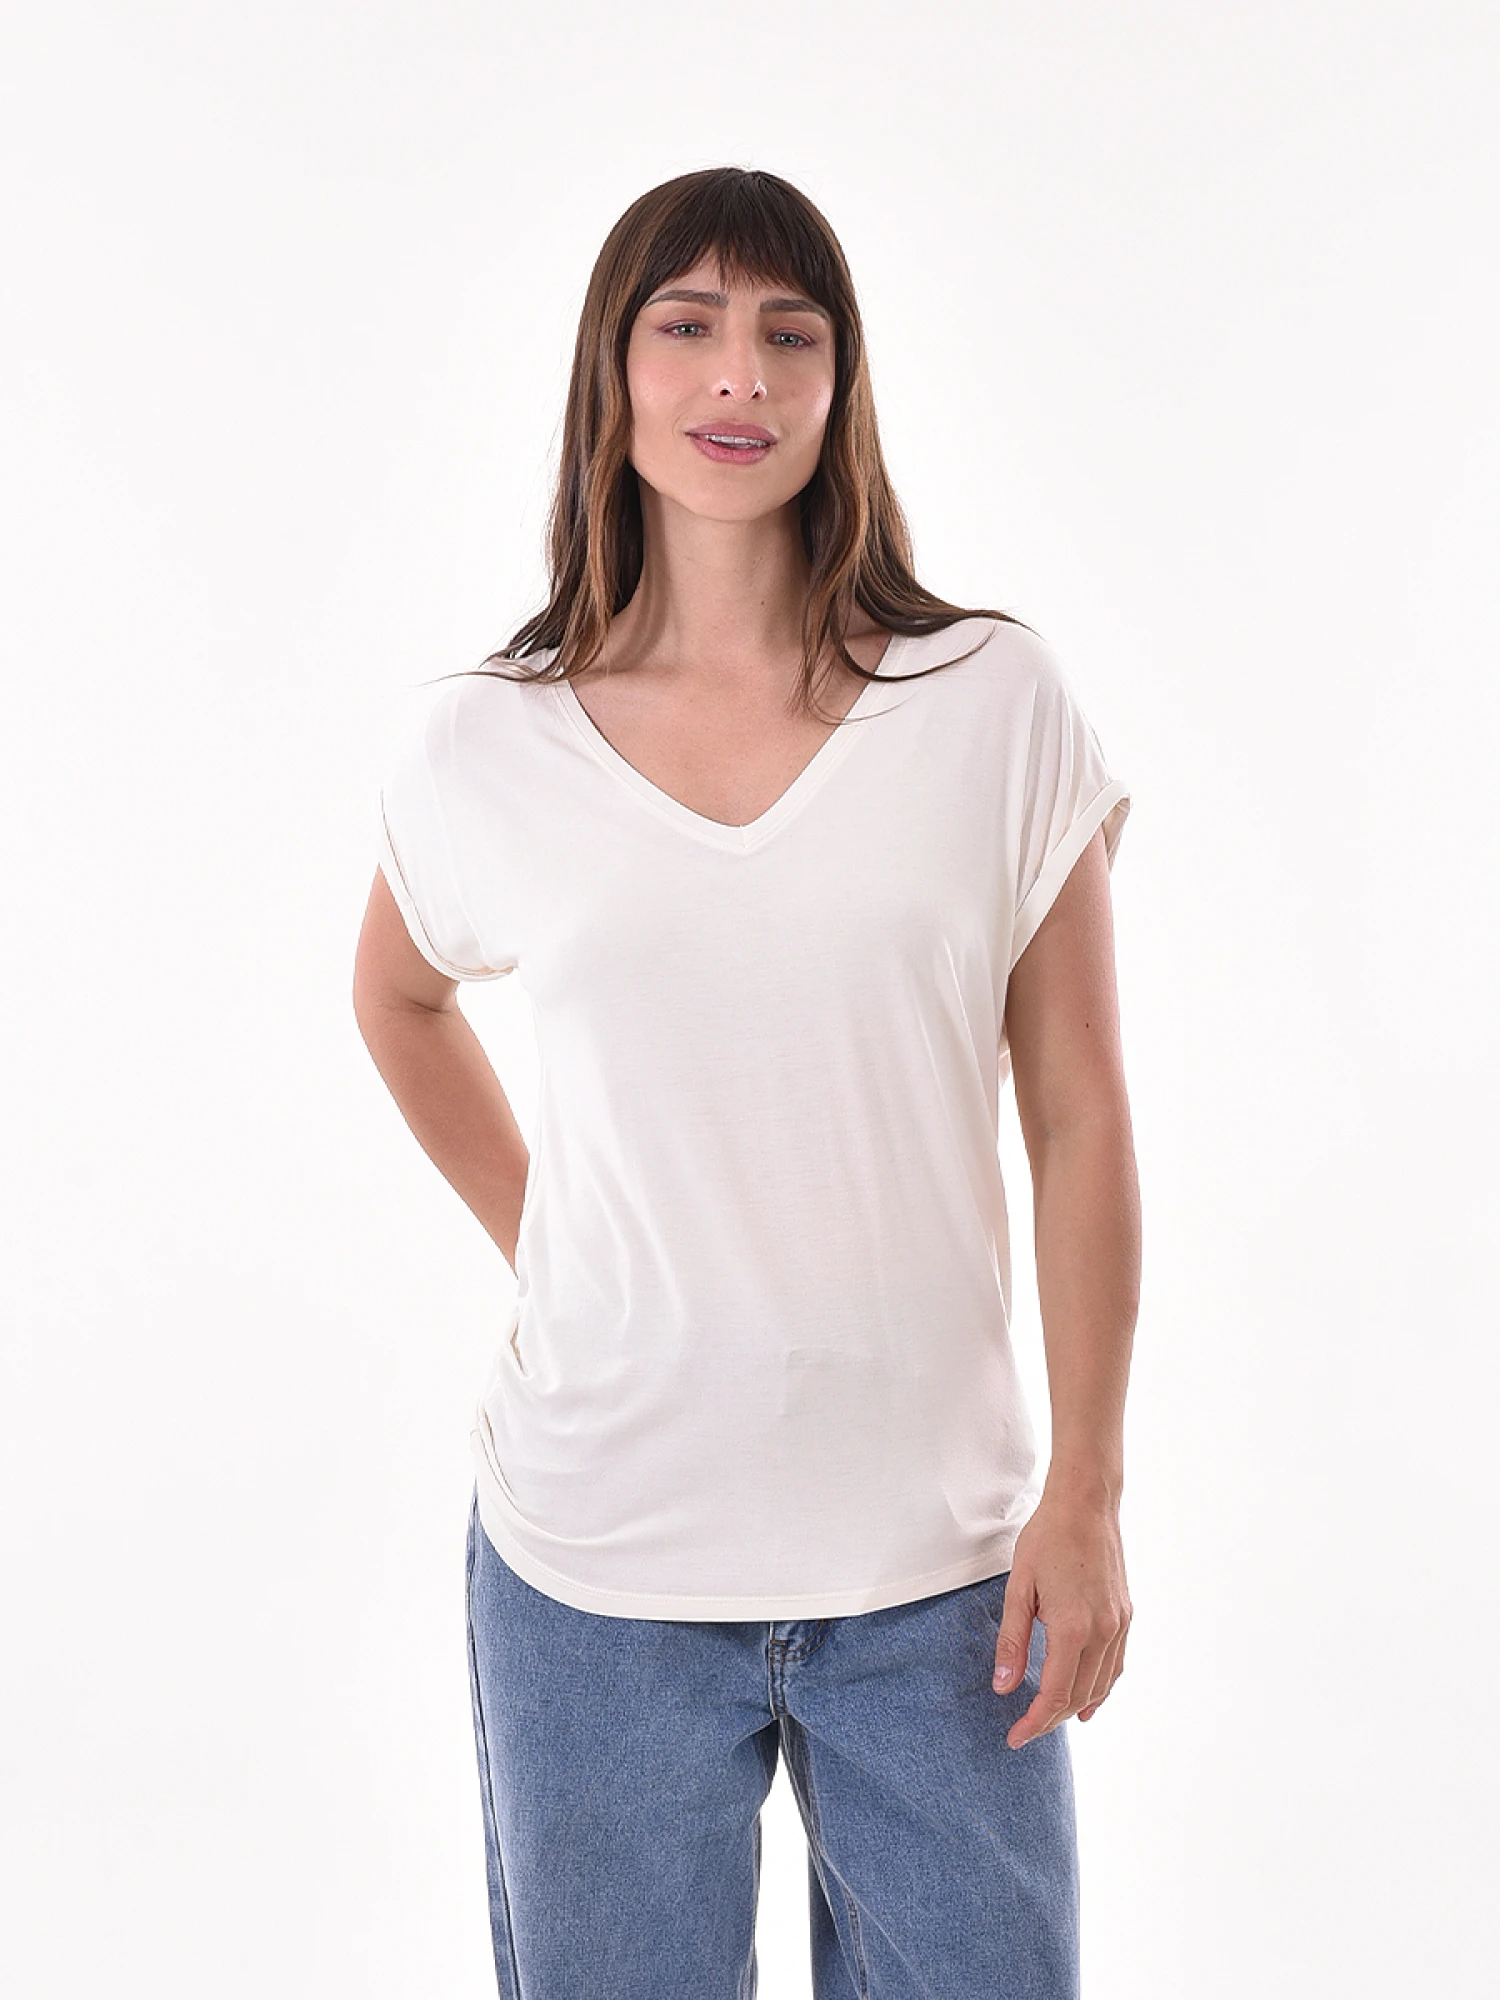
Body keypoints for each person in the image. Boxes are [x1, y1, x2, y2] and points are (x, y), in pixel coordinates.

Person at [352, 165, 1140, 2000]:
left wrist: (1089, 1488)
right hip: (596, 1572)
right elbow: (396, 998)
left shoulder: (992, 704)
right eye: (688, 324)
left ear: (841, 383)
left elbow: (1082, 1114)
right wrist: (558, 1239)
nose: (741, 374)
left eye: (792, 332)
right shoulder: (486, 742)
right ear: (612, 374)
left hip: (945, 1573)